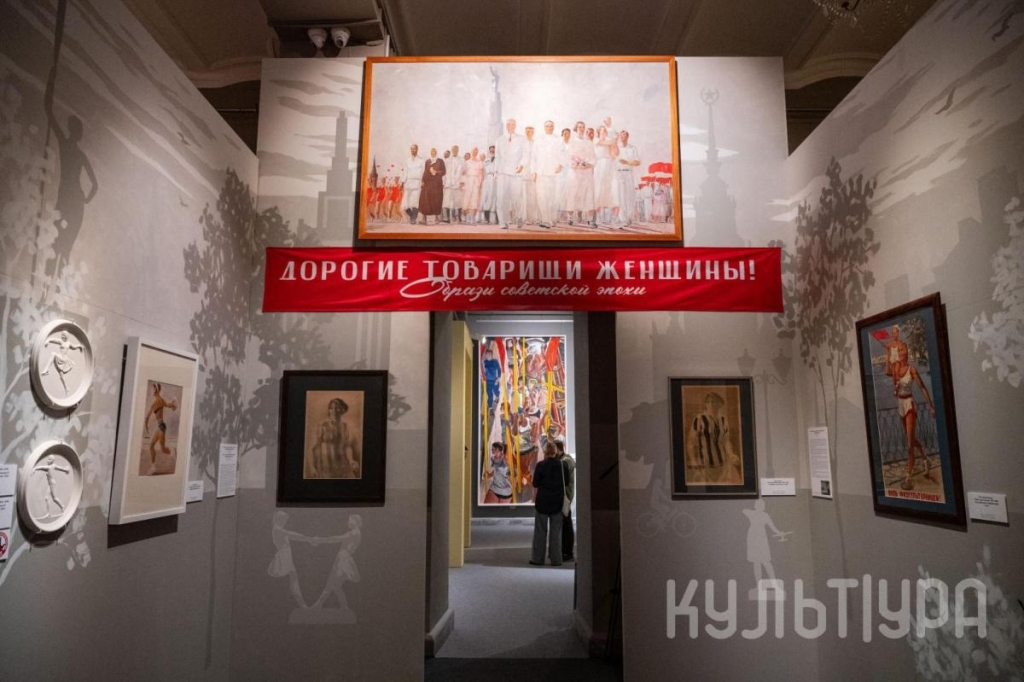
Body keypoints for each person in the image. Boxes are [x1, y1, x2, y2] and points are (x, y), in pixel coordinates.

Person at [895, 361, 936, 490]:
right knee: (911, 439)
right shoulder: (896, 369)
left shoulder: (911, 369)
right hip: (900, 405)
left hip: (909, 405)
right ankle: (926, 459)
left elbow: (922, 387)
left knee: (909, 445)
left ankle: (909, 477)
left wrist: (930, 406)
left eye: (903, 351)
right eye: (899, 352)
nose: (901, 353)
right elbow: (895, 389)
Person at [529, 441, 567, 566]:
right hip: (557, 502)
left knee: (540, 531)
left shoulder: (540, 465)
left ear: (545, 452)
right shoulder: (562, 465)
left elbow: (535, 483)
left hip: (543, 502)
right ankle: (556, 559)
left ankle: (537, 559)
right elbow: (566, 482)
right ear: (555, 452)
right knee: (556, 533)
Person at [309, 397, 357, 479]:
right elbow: (311, 449)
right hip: (326, 468)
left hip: (343, 466)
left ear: (343, 410)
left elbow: (347, 446)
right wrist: (312, 467)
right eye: (331, 408)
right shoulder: (322, 425)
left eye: (337, 408)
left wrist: (351, 460)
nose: (334, 410)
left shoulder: (345, 426)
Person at [495, 118, 526, 229]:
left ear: (515, 126)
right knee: (501, 197)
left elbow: (525, 154)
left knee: (517, 197)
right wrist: (496, 171)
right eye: (509, 125)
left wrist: (521, 165)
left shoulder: (521, 139)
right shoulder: (499, 140)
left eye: (513, 125)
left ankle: (519, 217)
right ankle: (503, 221)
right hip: (502, 172)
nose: (511, 126)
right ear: (506, 126)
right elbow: (497, 156)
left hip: (516, 172)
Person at [533, 120, 563, 228]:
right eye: (547, 126)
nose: (549, 128)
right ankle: (545, 220)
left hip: (553, 172)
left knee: (552, 197)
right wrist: (533, 172)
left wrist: (560, 165)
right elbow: (534, 157)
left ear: (553, 127)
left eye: (551, 126)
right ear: (544, 127)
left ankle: (551, 219)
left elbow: (563, 154)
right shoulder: (538, 140)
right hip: (541, 172)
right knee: (541, 197)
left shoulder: (559, 139)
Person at [144, 382, 178, 475]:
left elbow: (147, 417)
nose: (152, 390)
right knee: (159, 447)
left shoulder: (156, 402)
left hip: (161, 426)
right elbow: (169, 405)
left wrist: (146, 426)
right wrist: (174, 404)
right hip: (161, 425)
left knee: (155, 447)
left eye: (153, 389)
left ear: (157, 390)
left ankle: (154, 467)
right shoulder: (161, 400)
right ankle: (172, 452)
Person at [566, 121, 596, 226]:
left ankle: (590, 219)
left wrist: (588, 165)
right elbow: (569, 155)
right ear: (576, 128)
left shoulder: (589, 142)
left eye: (583, 127)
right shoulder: (572, 141)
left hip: (587, 171)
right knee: (573, 193)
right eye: (579, 127)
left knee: (588, 194)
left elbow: (593, 156)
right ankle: (570, 217)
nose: (582, 129)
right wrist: (576, 164)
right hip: (575, 171)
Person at [40, 330, 85, 396]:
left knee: (53, 354)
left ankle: (46, 370)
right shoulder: (61, 341)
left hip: (64, 360)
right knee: (61, 376)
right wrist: (48, 340)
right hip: (59, 358)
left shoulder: (69, 343)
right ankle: (66, 388)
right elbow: (53, 340)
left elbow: (74, 347)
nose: (62, 337)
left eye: (64, 336)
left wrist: (80, 346)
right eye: (62, 335)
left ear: (66, 336)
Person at [691, 392, 728, 469]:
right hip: (705, 463)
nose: (710, 405)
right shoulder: (700, 418)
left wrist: (731, 455)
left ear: (719, 404)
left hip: (722, 461)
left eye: (713, 402)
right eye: (708, 402)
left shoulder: (723, 419)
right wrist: (693, 460)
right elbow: (690, 442)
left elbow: (726, 441)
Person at [555, 438, 576, 561]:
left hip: (565, 496)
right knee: (565, 524)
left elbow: (563, 479)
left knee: (566, 524)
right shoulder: (566, 460)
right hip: (566, 495)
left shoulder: (565, 461)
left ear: (557, 449)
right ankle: (566, 550)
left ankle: (567, 551)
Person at [616, 130, 641, 226]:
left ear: (627, 137)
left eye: (624, 135)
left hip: (628, 173)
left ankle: (629, 217)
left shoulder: (632, 148)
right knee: (621, 196)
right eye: (621, 136)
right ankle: (623, 218)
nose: (622, 137)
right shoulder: (616, 148)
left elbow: (637, 162)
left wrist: (627, 162)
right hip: (619, 173)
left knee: (629, 196)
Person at [418, 147, 445, 224]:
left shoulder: (440, 161)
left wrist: (436, 172)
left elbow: (443, 171)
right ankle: (424, 219)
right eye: (432, 152)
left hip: (437, 184)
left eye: (434, 151)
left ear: (436, 153)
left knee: (437, 200)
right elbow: (425, 171)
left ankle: (436, 218)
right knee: (425, 199)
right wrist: (422, 180)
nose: (433, 153)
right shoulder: (427, 161)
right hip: (428, 183)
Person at [400, 144, 425, 224]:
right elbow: (405, 172)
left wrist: (423, 181)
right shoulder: (408, 160)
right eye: (411, 149)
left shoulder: (421, 160)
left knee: (415, 202)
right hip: (408, 183)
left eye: (414, 149)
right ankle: (412, 216)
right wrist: (402, 183)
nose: (413, 150)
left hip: (417, 183)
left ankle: (413, 219)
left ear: (417, 149)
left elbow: (424, 172)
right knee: (405, 205)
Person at [461, 147, 485, 224]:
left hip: (476, 181)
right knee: (467, 198)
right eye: (473, 151)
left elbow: (481, 174)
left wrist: (480, 183)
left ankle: (473, 217)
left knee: (475, 199)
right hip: (468, 181)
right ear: (471, 152)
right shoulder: (467, 162)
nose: (474, 153)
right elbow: (462, 173)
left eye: (476, 152)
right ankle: (467, 217)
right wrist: (463, 182)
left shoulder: (480, 162)